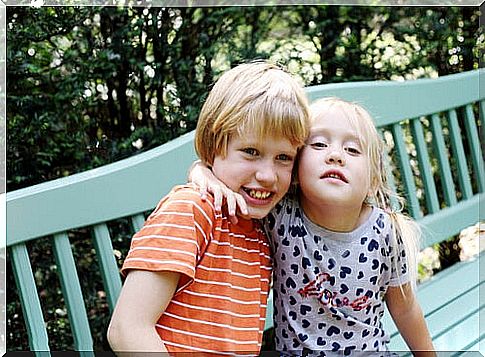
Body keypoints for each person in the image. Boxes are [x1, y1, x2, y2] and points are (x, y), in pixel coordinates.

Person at [189, 97, 435, 356]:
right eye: (318, 144)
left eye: (352, 150)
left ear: (373, 180)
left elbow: (405, 308)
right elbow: (228, 180)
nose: (335, 156)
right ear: (294, 169)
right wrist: (201, 172)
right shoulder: (280, 216)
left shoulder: (385, 232)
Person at [107, 60, 310, 356]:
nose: (268, 175)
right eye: (251, 152)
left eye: (283, 157)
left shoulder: (262, 228)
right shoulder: (191, 211)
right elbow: (127, 330)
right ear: (214, 146)